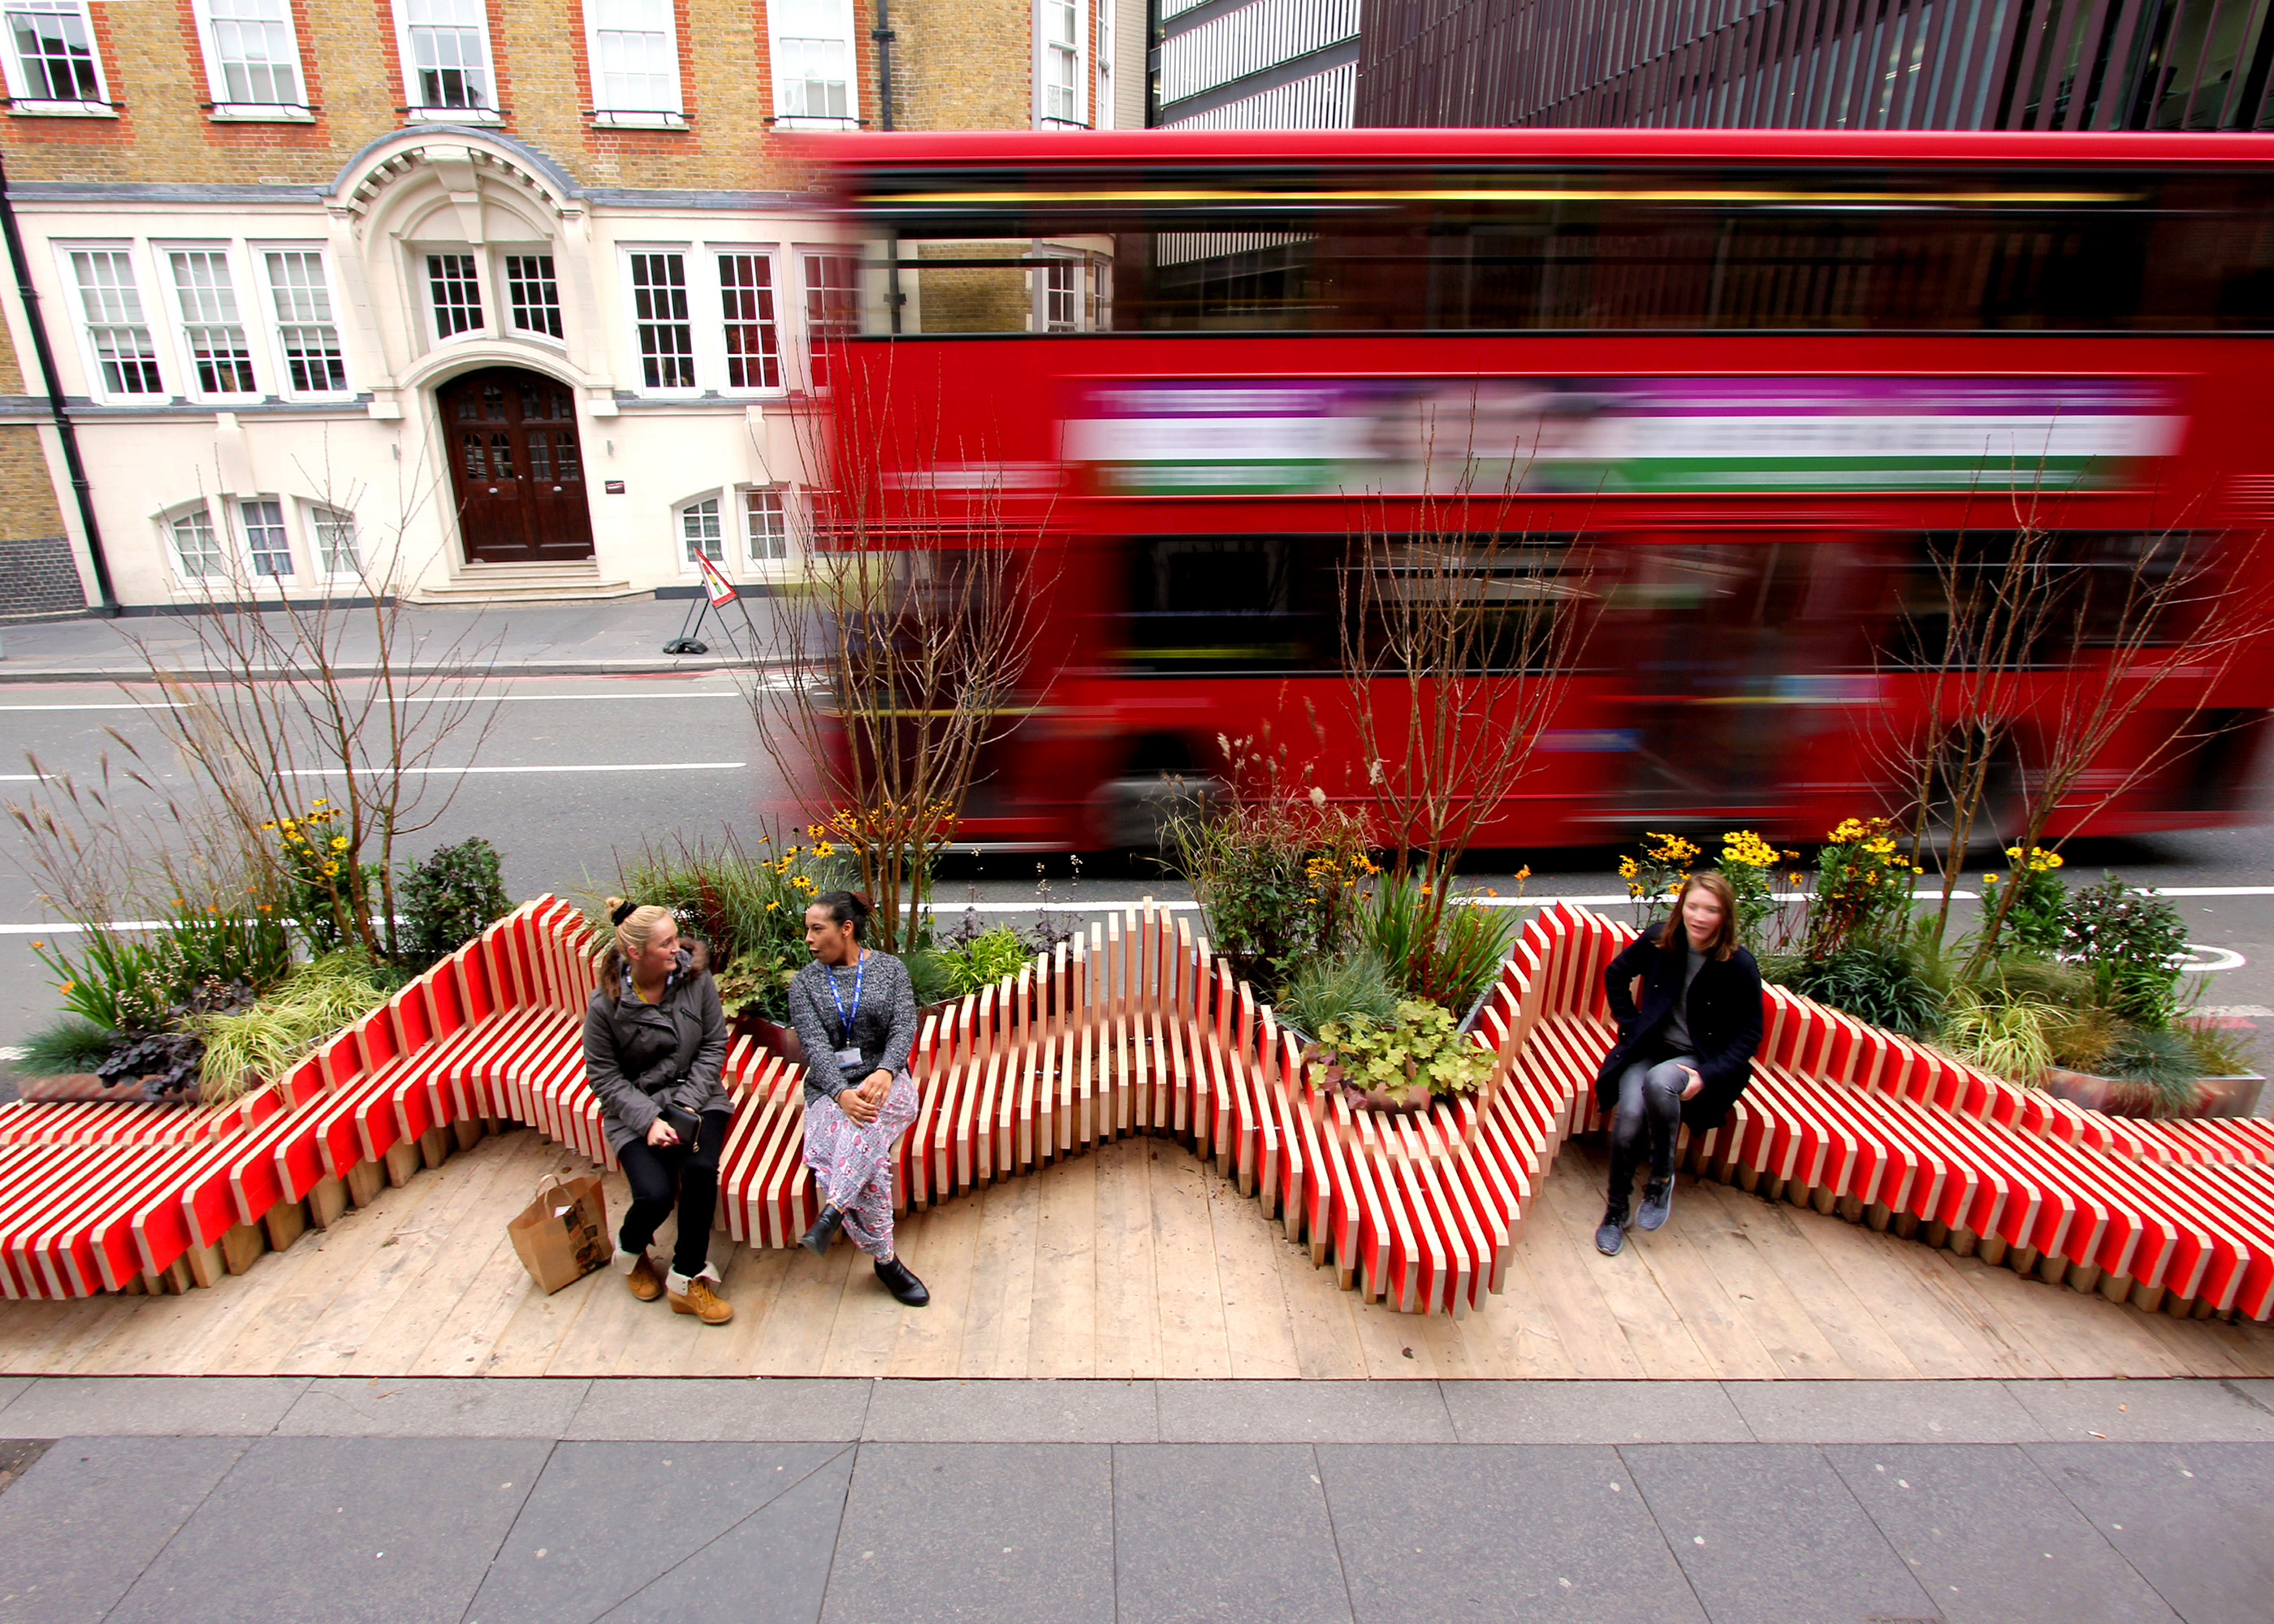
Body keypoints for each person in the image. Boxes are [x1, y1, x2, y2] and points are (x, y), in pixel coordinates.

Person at [1592, 870, 1762, 1257]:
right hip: (1649, 1047)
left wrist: (1707, 1074)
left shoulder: (1739, 965)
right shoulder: (1659, 940)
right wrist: (1631, 1025)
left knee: (1659, 1081)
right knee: (1629, 1116)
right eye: (1693, 906)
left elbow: (1749, 1035)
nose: (1699, 917)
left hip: (1698, 1058)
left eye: (1711, 910)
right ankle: (1616, 1212)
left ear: (1726, 916)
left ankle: (1661, 1178)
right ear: (1682, 906)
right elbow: (1616, 974)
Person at [582, 899, 734, 1324]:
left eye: (676, 939)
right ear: (635, 953)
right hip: (636, 1109)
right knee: (655, 1195)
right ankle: (631, 1249)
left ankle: (687, 1278)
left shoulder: (696, 980)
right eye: (666, 944)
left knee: (700, 1171)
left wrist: (685, 1103)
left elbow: (713, 1044)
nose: (678, 950)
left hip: (698, 1097)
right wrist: (648, 1120)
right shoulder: (603, 1008)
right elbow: (605, 1078)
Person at [786, 890, 929, 1307]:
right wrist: (840, 1093)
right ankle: (886, 1260)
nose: (809, 939)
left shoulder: (889, 970)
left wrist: (886, 1071)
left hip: (887, 1085)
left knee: (864, 1122)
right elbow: (814, 1047)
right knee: (860, 1134)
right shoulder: (805, 985)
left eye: (818, 929)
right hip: (832, 1091)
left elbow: (904, 1027)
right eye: (807, 929)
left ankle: (834, 1211)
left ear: (846, 929)